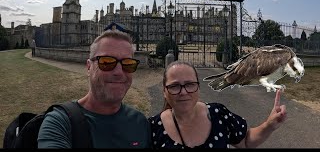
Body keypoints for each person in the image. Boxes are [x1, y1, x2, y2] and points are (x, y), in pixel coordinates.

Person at [38, 29, 152, 148]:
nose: (119, 72)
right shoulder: (60, 123)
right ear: (89, 67)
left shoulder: (140, 122)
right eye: (107, 62)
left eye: (128, 63)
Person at [148, 61, 287, 149]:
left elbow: (245, 141)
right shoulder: (152, 128)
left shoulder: (218, 114)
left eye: (190, 84)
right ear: (164, 91)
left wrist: (269, 125)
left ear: (198, 87)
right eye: (174, 86)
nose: (183, 92)